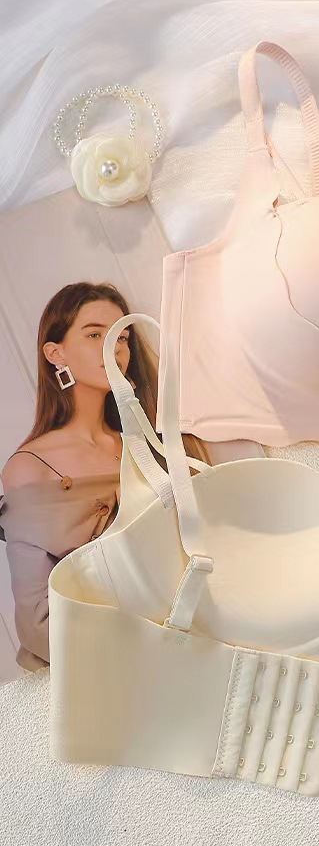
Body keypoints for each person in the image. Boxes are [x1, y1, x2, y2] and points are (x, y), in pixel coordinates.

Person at [0, 282, 201, 671]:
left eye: (122, 337)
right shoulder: (30, 467)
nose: (114, 349)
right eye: (95, 335)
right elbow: (38, 624)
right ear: (55, 353)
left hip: (190, 640)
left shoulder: (151, 447)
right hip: (109, 666)